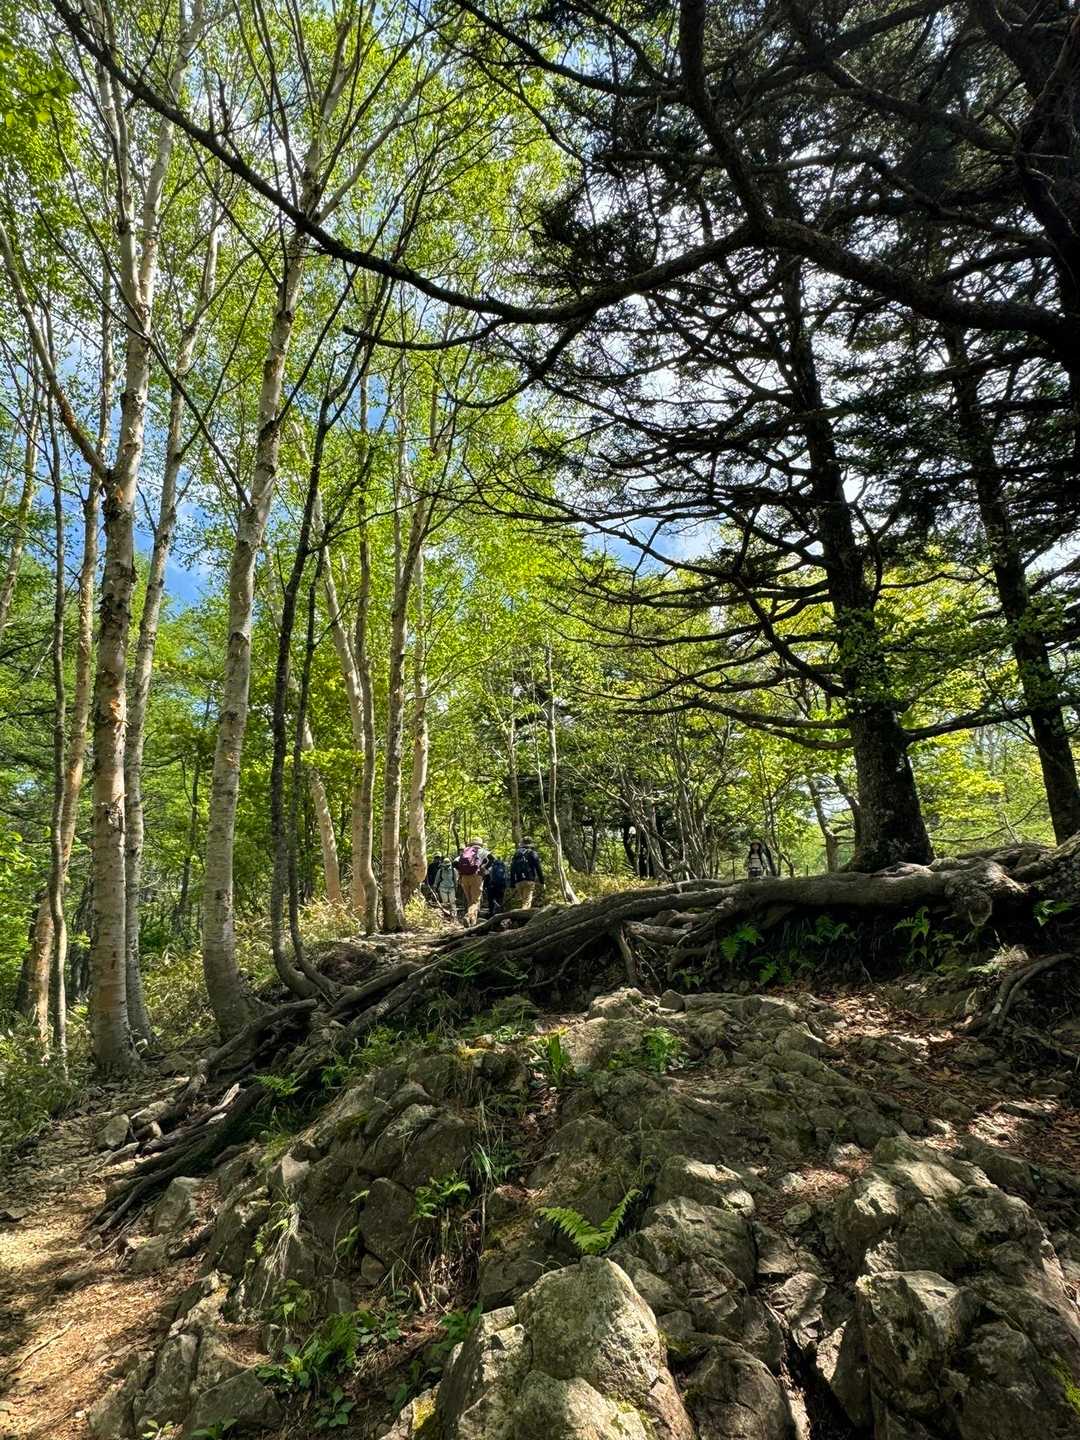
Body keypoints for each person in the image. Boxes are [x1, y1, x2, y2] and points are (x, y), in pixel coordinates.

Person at [454, 838, 490, 926]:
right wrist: (483, 869)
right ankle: (468, 916)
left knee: (470, 900)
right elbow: (492, 859)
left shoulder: (466, 851)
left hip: (464, 878)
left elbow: (454, 863)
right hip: (476, 877)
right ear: (480, 844)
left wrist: (461, 871)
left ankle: (472, 922)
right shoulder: (483, 851)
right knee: (475, 901)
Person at [509, 836, 544, 910]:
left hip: (518, 881)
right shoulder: (532, 853)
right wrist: (542, 882)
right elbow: (538, 868)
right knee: (526, 904)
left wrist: (512, 884)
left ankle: (520, 915)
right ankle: (524, 916)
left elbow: (512, 869)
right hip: (529, 880)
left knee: (523, 902)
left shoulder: (517, 854)